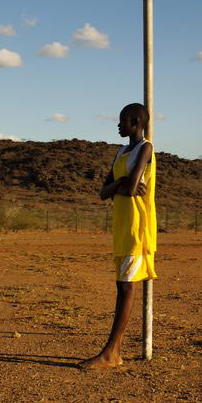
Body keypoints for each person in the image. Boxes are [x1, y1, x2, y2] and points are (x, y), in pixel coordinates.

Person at [78, 102, 157, 370]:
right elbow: (103, 192)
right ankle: (115, 352)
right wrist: (122, 184)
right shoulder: (121, 152)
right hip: (122, 227)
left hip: (137, 227)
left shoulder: (146, 148)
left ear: (136, 122)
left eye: (122, 121)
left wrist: (122, 184)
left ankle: (111, 352)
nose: (118, 125)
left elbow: (132, 185)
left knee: (126, 287)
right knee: (121, 285)